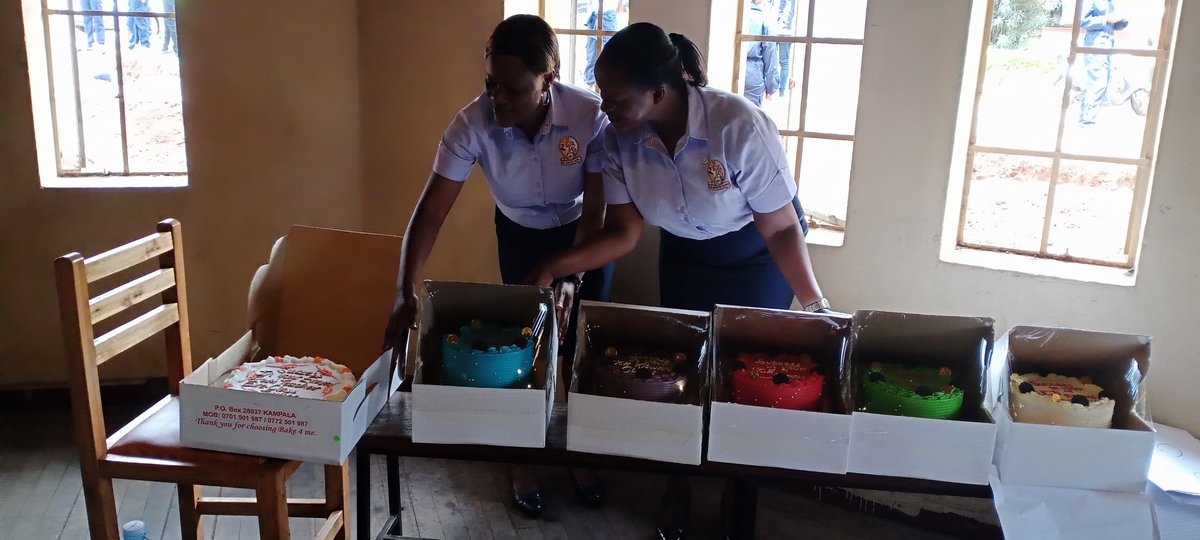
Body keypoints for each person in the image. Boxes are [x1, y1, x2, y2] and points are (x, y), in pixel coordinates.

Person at [525, 22, 830, 540]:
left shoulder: (737, 125)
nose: (605, 108)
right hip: (687, 254)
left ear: (659, 93)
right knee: (683, 372)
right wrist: (559, 266)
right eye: (601, 94)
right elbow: (623, 232)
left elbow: (779, 227)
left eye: (616, 98)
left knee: (745, 376)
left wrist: (814, 302)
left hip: (754, 254)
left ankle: (738, 495)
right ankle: (678, 486)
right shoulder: (619, 140)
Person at [381, 14, 614, 519]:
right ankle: (521, 458)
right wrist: (404, 290)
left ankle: (579, 455)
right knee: (521, 346)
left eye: (514, 86)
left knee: (579, 346)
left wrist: (573, 275)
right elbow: (430, 214)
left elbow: (596, 209)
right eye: (491, 83)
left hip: (583, 236)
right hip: (520, 235)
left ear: (549, 77)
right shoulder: (472, 124)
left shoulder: (589, 116)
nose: (498, 98)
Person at [1079, 0, 1128, 125]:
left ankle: (1089, 119)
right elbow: (1082, 21)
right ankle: (1086, 122)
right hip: (1096, 42)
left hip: (1108, 41)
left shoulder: (1109, 1)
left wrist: (1123, 20)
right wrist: (1107, 18)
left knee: (1104, 82)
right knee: (1097, 82)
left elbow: (1112, 24)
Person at [583, 0, 628, 92]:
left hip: (608, 16)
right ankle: (590, 85)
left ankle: (604, 86)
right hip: (594, 14)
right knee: (591, 53)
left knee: (607, 54)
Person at [743, 0, 779, 106]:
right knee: (751, 116)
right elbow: (770, 53)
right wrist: (771, 86)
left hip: (729, 66)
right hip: (753, 73)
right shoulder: (765, 15)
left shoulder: (733, 10)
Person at [775, 0, 798, 95]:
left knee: (773, 59)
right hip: (786, 30)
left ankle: (778, 87)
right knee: (784, 62)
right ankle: (781, 89)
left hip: (780, 29)